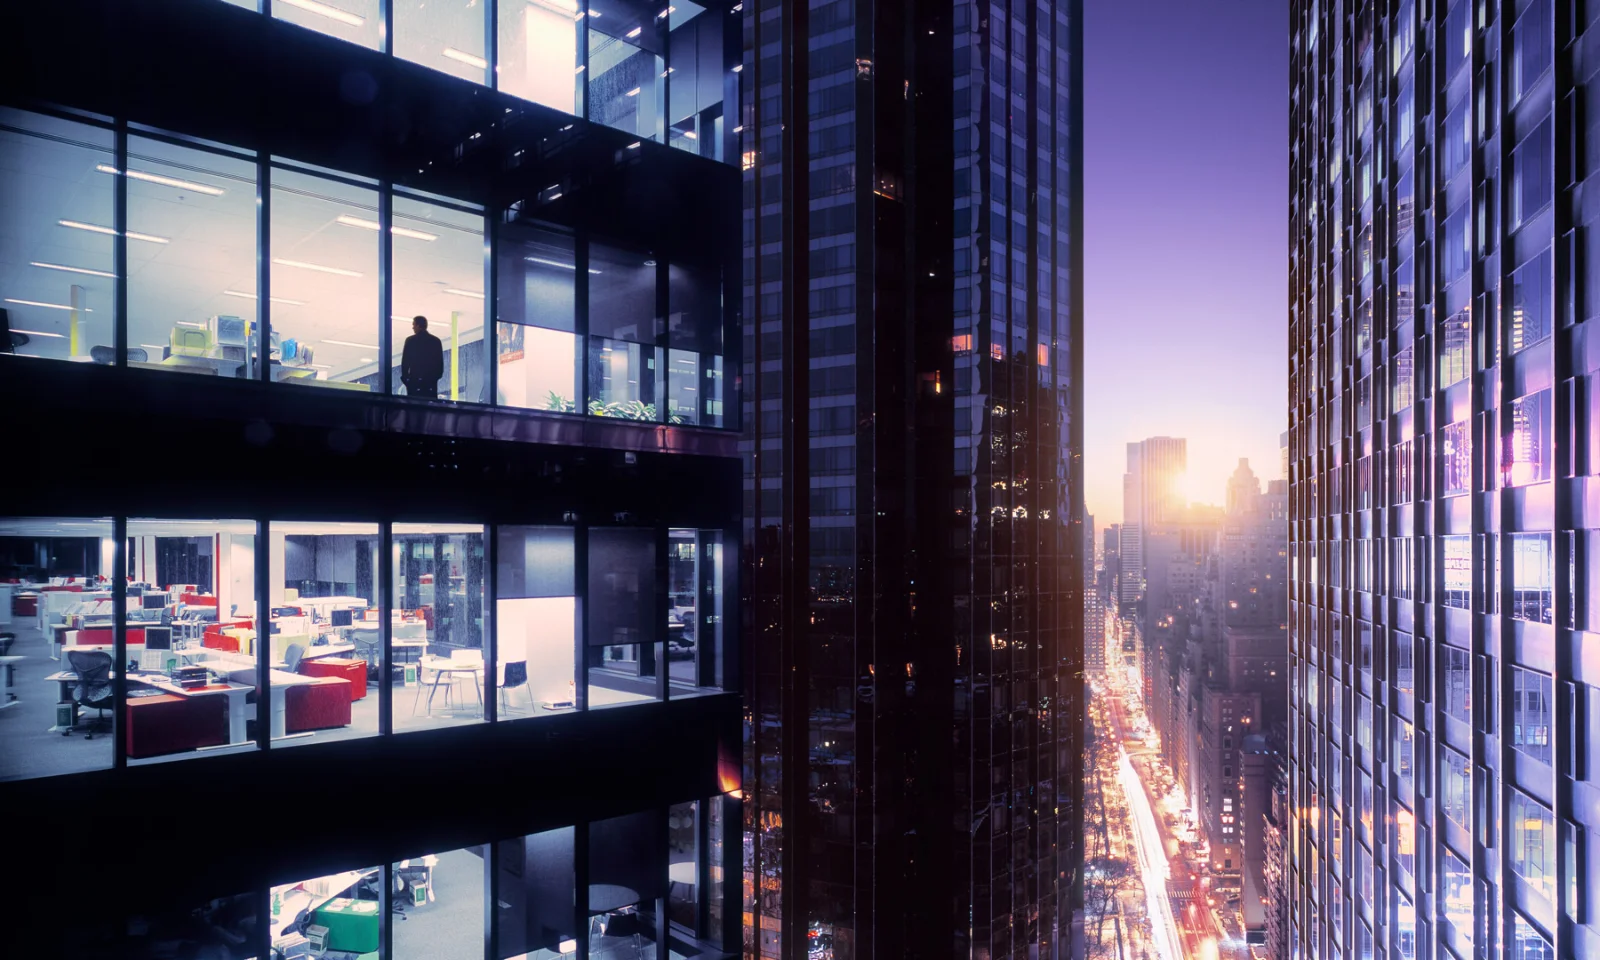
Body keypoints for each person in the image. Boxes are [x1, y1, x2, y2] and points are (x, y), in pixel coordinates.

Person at [400, 315, 444, 399]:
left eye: (414, 325)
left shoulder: (410, 341)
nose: (413, 328)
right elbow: (439, 364)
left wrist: (407, 380)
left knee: (415, 408)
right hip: (430, 384)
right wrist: (434, 378)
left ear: (418, 326)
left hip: (414, 382)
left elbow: (405, 362)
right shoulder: (436, 341)